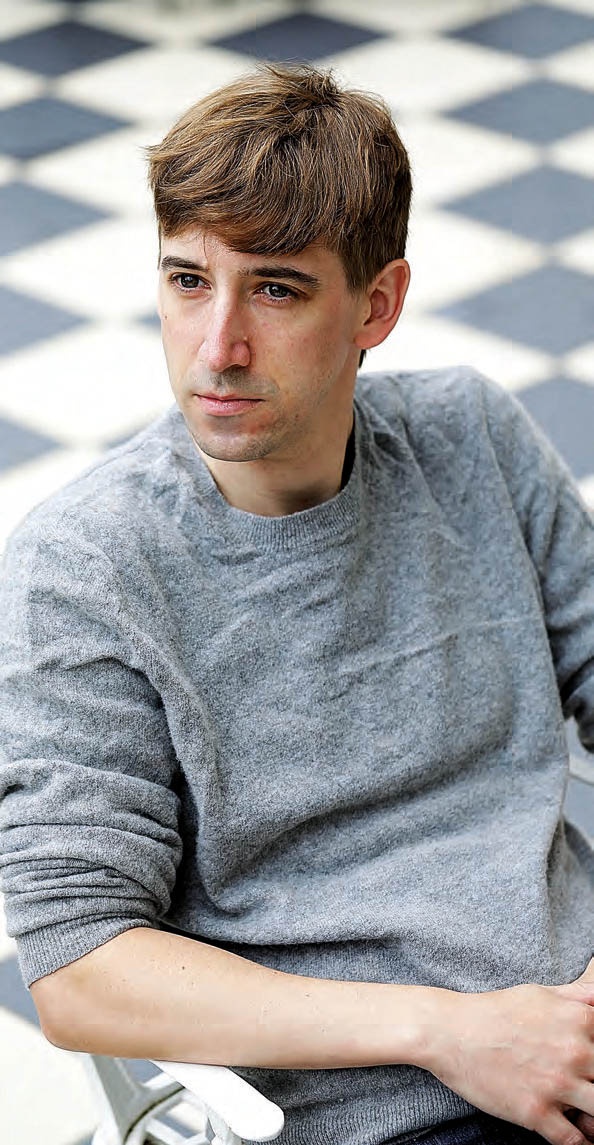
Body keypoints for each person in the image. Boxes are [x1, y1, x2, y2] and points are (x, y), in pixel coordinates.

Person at [0, 63, 593, 1145]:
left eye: (275, 289)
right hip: (389, 1112)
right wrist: (449, 1031)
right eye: (188, 280)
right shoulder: (83, 567)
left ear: (378, 304)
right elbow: (79, 965)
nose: (217, 347)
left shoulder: (470, 437)